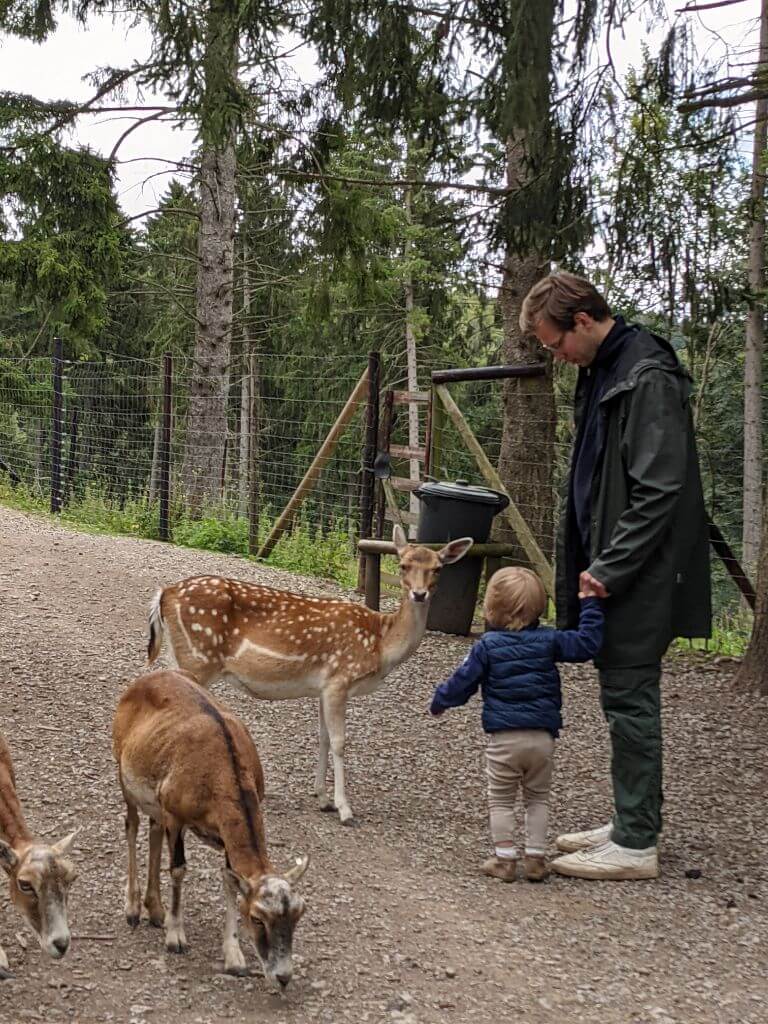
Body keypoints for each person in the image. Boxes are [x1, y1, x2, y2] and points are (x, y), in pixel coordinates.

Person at [520, 271, 711, 881]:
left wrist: (610, 566)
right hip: (611, 563)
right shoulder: (604, 368)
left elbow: (658, 489)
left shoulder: (646, 375)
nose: (556, 356)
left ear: (582, 320)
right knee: (618, 691)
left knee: (630, 694)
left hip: (638, 571)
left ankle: (635, 844)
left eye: (555, 344)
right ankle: (633, 819)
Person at [429, 566, 604, 883]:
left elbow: (462, 682)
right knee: (537, 799)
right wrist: (590, 603)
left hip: (505, 740)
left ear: (491, 608)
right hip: (542, 739)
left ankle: (505, 860)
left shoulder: (487, 646)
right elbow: (586, 644)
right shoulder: (550, 640)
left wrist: (440, 701)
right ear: (539, 607)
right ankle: (536, 858)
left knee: (502, 799)